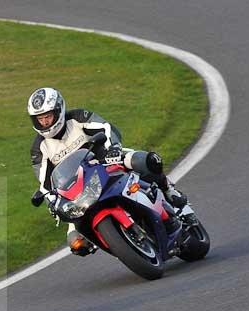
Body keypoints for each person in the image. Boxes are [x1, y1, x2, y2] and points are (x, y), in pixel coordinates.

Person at [27, 86, 193, 256]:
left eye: (48, 117)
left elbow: (105, 127)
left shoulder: (77, 118)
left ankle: (168, 190)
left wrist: (113, 147)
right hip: (79, 190)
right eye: (40, 119)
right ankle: (115, 242)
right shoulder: (39, 148)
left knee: (146, 161)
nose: (45, 122)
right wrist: (51, 201)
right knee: (75, 242)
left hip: (106, 161)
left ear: (59, 110)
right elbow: (45, 183)